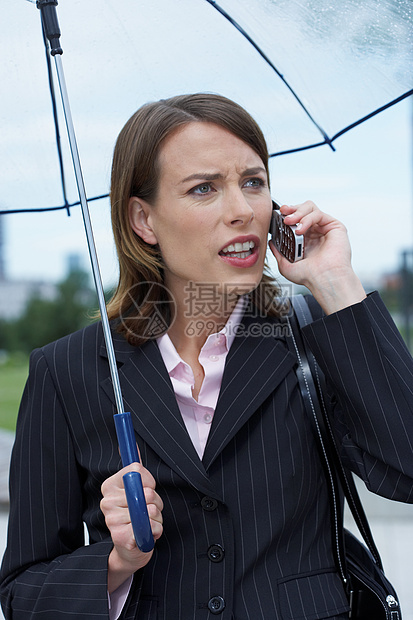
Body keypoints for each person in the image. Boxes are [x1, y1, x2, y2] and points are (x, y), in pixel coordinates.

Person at [1, 93, 413, 620]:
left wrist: (336, 284)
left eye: (253, 182)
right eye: (204, 189)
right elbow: (22, 594)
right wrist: (118, 561)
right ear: (143, 221)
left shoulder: (312, 334)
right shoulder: (68, 371)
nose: (243, 211)